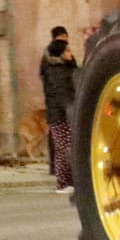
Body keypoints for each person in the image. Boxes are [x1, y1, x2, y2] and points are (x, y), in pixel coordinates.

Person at [40, 38, 77, 193]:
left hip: (64, 113)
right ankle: (63, 183)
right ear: (60, 54)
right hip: (59, 115)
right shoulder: (56, 73)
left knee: (69, 147)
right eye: (67, 51)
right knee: (64, 149)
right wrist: (71, 112)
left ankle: (70, 181)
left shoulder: (64, 68)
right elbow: (63, 96)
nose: (71, 53)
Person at [39, 26, 72, 175]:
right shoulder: (60, 64)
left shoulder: (46, 58)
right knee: (64, 144)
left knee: (57, 141)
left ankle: (56, 170)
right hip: (62, 107)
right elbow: (65, 87)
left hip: (53, 105)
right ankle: (64, 179)